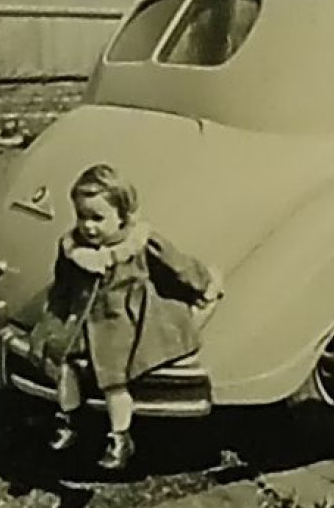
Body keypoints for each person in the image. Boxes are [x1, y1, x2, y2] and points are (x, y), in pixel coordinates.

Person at [29, 164, 222, 470]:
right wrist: (54, 319)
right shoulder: (74, 251)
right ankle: (67, 418)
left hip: (124, 321)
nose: (89, 227)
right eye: (82, 217)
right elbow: (63, 286)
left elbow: (178, 266)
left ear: (123, 216)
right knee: (65, 364)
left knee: (113, 380)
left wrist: (204, 284)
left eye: (98, 218)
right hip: (85, 319)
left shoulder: (139, 245)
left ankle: (120, 436)